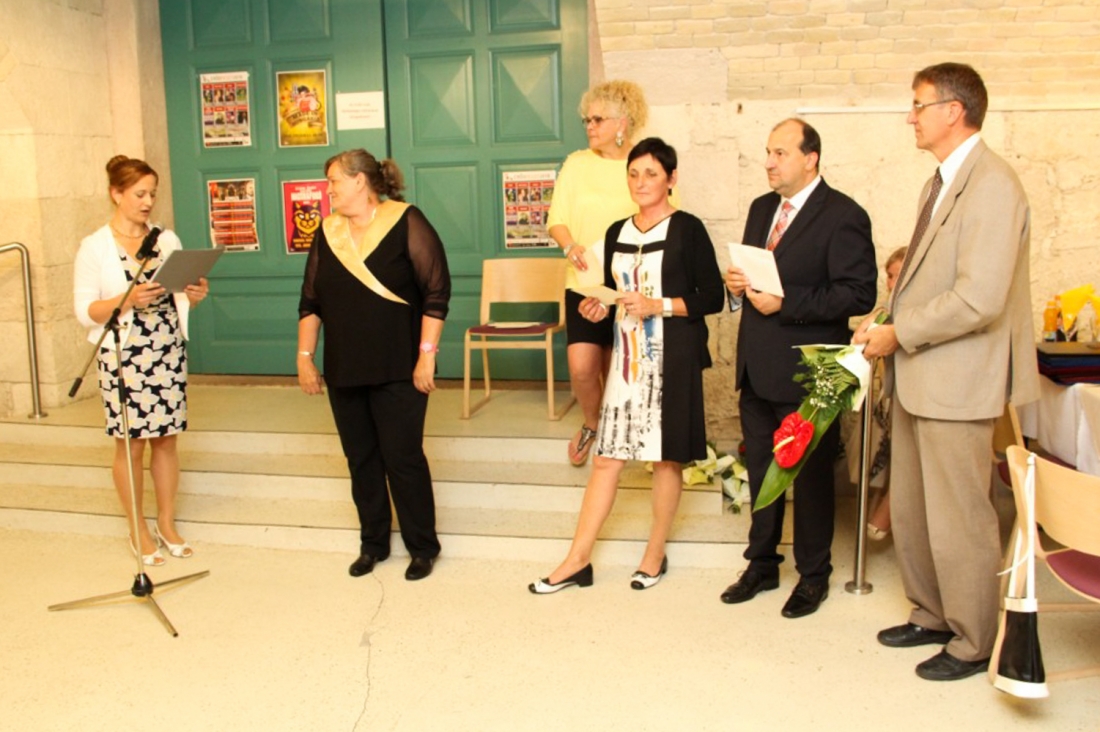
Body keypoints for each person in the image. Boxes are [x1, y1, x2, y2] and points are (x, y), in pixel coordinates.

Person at [855, 63, 1039, 681]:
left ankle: (974, 639)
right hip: (920, 373)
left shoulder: (993, 184)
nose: (910, 116)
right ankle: (932, 613)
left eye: (919, 104)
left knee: (960, 516)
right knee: (914, 509)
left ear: (953, 110)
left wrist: (899, 332)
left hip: (959, 380)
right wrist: (882, 320)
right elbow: (920, 282)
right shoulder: (938, 183)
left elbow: (979, 298)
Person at [529, 138, 725, 594]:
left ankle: (654, 553)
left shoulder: (688, 229)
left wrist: (658, 305)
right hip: (626, 358)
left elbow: (712, 297)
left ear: (671, 179)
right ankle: (577, 560)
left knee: (665, 459)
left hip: (674, 357)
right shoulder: (618, 231)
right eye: (634, 174)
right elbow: (611, 291)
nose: (641, 182)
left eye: (651, 174)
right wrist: (600, 307)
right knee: (606, 459)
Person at [721, 119, 877, 618]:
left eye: (780, 153)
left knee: (809, 480)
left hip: (809, 373)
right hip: (756, 367)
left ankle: (813, 575)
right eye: (768, 152)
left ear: (811, 159)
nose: (769, 162)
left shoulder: (844, 215)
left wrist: (786, 302)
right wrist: (735, 287)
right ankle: (762, 563)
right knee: (761, 471)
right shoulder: (760, 209)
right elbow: (753, 279)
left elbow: (858, 294)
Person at [297, 148, 450, 582]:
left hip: (399, 365)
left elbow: (436, 292)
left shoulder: (406, 220)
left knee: (403, 459)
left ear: (359, 181)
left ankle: (422, 547)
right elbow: (310, 301)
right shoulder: (327, 231)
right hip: (345, 367)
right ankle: (373, 544)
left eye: (334, 181)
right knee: (360, 459)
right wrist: (305, 357)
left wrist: (427, 355)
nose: (328, 190)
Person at [73, 155, 210, 566]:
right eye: (139, 194)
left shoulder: (167, 240)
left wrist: (194, 294)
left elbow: (180, 294)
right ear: (116, 194)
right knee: (131, 444)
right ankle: (137, 528)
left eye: (152, 194)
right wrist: (128, 299)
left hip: (166, 349)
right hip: (123, 354)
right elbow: (85, 311)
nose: (148, 202)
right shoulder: (95, 246)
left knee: (166, 439)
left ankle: (166, 523)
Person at [547, 80, 662, 467]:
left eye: (598, 119)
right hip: (585, 281)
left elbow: (666, 218)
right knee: (582, 366)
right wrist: (570, 246)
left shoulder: (644, 165)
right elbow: (557, 219)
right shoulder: (576, 164)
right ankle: (592, 423)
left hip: (631, 285)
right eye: (587, 119)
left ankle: (621, 430)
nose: (589, 126)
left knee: (621, 366)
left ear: (622, 122)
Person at [846, 245, 906, 540]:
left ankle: (890, 503)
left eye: (897, 276)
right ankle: (884, 494)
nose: (892, 283)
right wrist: (878, 315)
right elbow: (880, 316)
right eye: (889, 276)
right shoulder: (888, 310)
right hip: (890, 396)